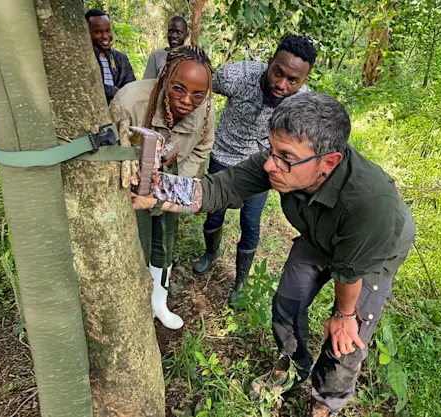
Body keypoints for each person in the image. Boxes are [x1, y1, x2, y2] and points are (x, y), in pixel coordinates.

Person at [131, 92, 416, 416]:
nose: (270, 164)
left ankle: (325, 401)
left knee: (346, 340)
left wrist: (344, 316)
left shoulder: (370, 202)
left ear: (330, 161)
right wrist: (154, 191)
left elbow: (350, 273)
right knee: (287, 303)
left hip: (370, 253)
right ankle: (293, 364)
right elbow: (218, 189)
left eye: (284, 157)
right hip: (317, 235)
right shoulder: (281, 160)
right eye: (271, 148)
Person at [192, 34, 317, 307]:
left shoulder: (302, 103)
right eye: (277, 73)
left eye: (293, 81)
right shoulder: (235, 76)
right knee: (214, 215)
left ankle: (240, 281)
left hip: (261, 167)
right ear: (269, 62)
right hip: (223, 156)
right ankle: (210, 254)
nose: (281, 85)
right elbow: (198, 91)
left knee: (251, 225)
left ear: (303, 82)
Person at [114, 45, 215, 330]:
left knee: (165, 245)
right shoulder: (130, 100)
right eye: (178, 89)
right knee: (136, 245)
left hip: (171, 186)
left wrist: (174, 185)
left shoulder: (205, 110)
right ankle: (133, 303)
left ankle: (159, 302)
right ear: (164, 77)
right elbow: (111, 154)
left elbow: (202, 149)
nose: (187, 101)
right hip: (130, 191)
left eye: (198, 94)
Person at [85, 8, 136, 103]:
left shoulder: (121, 58)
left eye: (108, 31)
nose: (105, 36)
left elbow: (131, 87)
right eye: (98, 32)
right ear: (88, 33)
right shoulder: (85, 59)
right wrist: (113, 91)